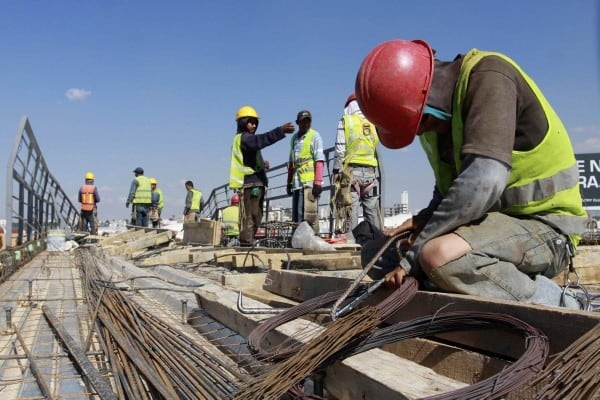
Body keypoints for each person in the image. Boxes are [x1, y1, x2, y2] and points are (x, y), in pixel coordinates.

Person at [355, 39, 587, 308]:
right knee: (376, 255)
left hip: (546, 229)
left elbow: (482, 181)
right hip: (490, 225)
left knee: (437, 256)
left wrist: (414, 255)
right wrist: (423, 221)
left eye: (420, 126)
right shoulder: (435, 122)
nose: (421, 133)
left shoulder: (490, 78)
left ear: (424, 104)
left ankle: (562, 304)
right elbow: (447, 191)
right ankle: (456, 280)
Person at [229, 105, 295, 246]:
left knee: (255, 214)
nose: (253, 125)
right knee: (251, 215)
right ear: (242, 122)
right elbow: (261, 140)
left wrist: (261, 164)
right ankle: (247, 242)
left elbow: (247, 158)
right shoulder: (245, 138)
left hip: (252, 182)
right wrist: (280, 131)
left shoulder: (243, 139)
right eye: (250, 122)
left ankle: (247, 240)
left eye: (255, 122)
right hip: (250, 183)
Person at [332, 93, 382, 233]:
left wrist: (336, 170)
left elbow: (340, 148)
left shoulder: (346, 121)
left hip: (352, 173)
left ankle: (352, 243)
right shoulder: (373, 122)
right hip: (371, 173)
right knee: (371, 211)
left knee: (350, 209)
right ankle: (377, 244)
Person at [287, 110, 325, 235]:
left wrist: (318, 182)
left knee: (308, 214)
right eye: (303, 122)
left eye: (308, 121)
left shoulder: (314, 136)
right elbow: (291, 163)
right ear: (298, 122)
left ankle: (309, 239)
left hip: (309, 183)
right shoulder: (294, 139)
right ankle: (297, 240)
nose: (306, 124)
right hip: (297, 182)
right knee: (296, 215)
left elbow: (319, 159)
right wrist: (289, 182)